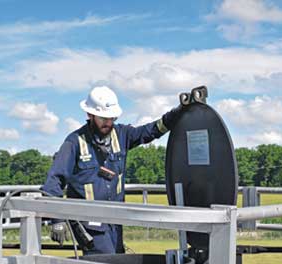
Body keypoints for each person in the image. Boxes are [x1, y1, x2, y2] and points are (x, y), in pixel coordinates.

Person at [41, 86, 183, 254]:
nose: (108, 123)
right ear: (90, 115)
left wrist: (178, 113)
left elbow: (150, 131)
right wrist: (57, 220)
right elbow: (53, 182)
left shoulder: (122, 134)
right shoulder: (74, 143)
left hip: (116, 221)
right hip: (89, 224)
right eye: (103, 118)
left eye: (111, 118)